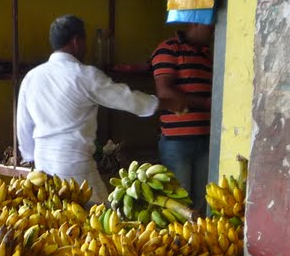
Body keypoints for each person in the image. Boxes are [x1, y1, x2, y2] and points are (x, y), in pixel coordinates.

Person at [17, 15, 183, 204]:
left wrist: (32, 160)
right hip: (75, 167)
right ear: (76, 41)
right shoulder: (83, 75)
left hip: (42, 166)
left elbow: (24, 128)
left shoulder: (32, 78)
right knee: (99, 221)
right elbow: (127, 99)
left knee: (56, 225)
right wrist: (167, 103)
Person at [151, 11, 214, 211]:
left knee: (203, 201)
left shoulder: (206, 54)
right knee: (179, 205)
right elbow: (165, 91)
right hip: (177, 142)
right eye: (210, 25)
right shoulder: (168, 49)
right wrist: (205, 104)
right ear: (196, 23)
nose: (213, 30)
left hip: (206, 139)